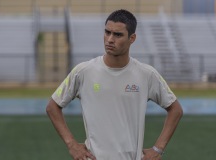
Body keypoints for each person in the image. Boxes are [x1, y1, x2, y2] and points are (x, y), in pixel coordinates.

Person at [46, 9, 183, 160]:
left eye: (118, 35)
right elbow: (53, 106)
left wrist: (158, 149)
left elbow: (175, 109)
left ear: (132, 38)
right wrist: (71, 144)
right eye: (107, 32)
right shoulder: (83, 71)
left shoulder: (146, 74)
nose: (110, 39)